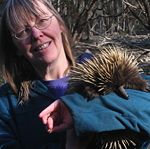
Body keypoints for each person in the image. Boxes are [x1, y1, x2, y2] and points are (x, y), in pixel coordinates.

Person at [0, 0, 150, 149]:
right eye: (23, 31)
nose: (36, 34)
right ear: (15, 48)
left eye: (42, 20)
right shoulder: (6, 104)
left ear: (60, 25)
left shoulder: (108, 67)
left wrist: (76, 109)